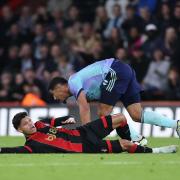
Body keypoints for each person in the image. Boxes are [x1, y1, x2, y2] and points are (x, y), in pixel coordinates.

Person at [48, 58, 180, 142]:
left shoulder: (73, 82)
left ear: (60, 87)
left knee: (103, 113)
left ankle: (135, 139)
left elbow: (84, 108)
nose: (54, 98)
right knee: (137, 114)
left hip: (115, 71)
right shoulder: (78, 86)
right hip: (123, 70)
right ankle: (176, 125)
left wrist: (86, 135)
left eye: (53, 94)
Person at [0, 112, 177, 154]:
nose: (30, 124)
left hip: (82, 131)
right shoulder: (32, 145)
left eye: (29, 120)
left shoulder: (39, 125)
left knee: (120, 118)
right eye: (26, 124)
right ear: (19, 130)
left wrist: (65, 120)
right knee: (124, 145)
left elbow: (53, 122)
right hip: (84, 145)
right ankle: (154, 151)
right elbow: (16, 150)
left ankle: (136, 141)